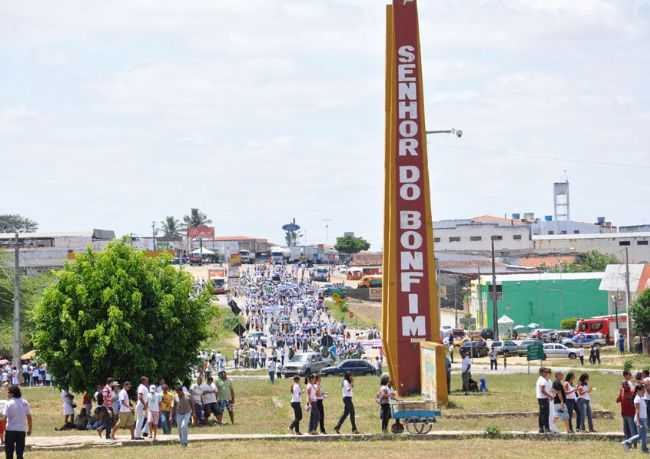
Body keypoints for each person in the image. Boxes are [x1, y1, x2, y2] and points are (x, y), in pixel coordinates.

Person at [3, 385, 32, 459]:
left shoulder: (8, 403)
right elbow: (29, 417)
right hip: (21, 430)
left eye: (8, 392)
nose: (7, 394)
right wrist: (29, 429)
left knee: (9, 453)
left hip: (10, 430)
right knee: (20, 454)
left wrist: (3, 430)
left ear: (12, 393)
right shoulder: (25, 402)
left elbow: (4, 418)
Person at [623, 384, 648, 452]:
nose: (644, 391)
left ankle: (627, 442)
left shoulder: (642, 398)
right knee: (643, 435)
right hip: (639, 419)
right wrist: (638, 421)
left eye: (644, 390)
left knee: (641, 435)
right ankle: (644, 448)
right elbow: (637, 411)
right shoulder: (637, 399)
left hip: (643, 419)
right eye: (643, 390)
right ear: (638, 391)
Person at [618, 370, 637, 447]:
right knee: (626, 429)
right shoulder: (623, 388)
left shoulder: (632, 387)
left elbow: (631, 396)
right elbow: (620, 397)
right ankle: (628, 444)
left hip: (630, 411)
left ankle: (634, 443)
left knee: (632, 428)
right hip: (624, 411)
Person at [535, 367, 552, 433]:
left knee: (545, 413)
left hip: (545, 398)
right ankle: (543, 428)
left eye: (547, 372)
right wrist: (549, 396)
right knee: (543, 414)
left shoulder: (545, 379)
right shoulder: (542, 380)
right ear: (542, 373)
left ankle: (543, 428)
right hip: (542, 398)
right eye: (545, 372)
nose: (546, 373)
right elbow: (542, 390)